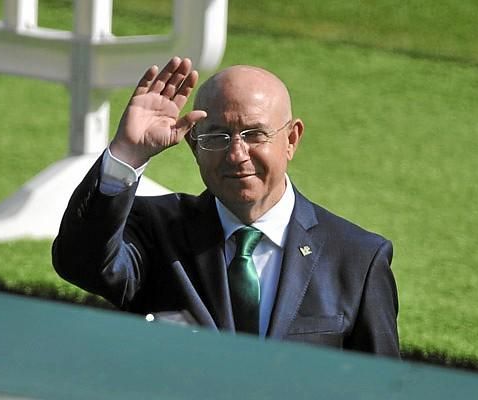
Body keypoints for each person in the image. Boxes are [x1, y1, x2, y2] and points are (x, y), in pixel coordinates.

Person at [52, 57, 399, 357]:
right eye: (217, 137)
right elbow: (79, 263)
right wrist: (127, 153)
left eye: (254, 134)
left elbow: (382, 387)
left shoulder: (357, 259)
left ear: (291, 139)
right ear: (194, 145)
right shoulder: (157, 230)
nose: (236, 155)